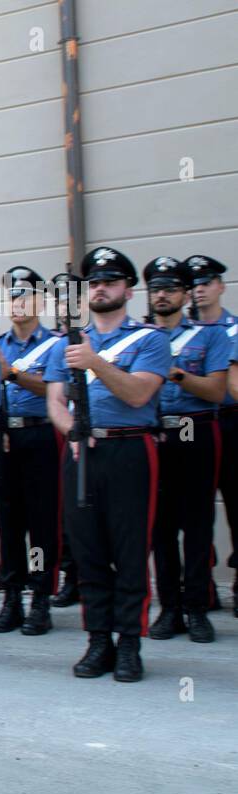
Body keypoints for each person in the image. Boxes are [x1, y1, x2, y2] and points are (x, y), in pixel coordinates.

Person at [44, 247, 170, 682]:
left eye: (111, 281)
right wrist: (72, 432)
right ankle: (98, 639)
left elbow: (138, 395)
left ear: (127, 290)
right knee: (88, 548)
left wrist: (95, 361)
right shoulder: (67, 343)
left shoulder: (150, 339)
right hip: (81, 452)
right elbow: (55, 402)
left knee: (130, 548)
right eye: (94, 282)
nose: (101, 287)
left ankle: (130, 643)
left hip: (130, 450)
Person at [143, 256, 227, 643]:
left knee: (196, 522)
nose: (162, 295)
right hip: (154, 432)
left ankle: (196, 607)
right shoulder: (140, 337)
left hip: (195, 428)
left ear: (184, 294)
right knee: (159, 525)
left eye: (170, 288)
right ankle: (170, 608)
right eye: (156, 288)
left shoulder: (209, 335)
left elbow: (214, 390)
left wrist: (172, 370)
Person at [0, 266, 64, 637]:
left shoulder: (55, 345)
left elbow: (54, 392)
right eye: (13, 297)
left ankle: (41, 598)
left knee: (42, 524)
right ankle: (12, 596)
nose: (18, 304)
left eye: (25, 297)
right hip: (5, 439)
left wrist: (12, 374)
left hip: (41, 438)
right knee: (9, 523)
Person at [184, 255, 236, 614]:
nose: (200, 290)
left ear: (221, 287)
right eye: (195, 285)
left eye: (207, 283)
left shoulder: (234, 329)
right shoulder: (179, 332)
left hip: (231, 421)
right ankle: (201, 587)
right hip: (194, 425)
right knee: (194, 508)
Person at [48, 269, 84, 608]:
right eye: (60, 299)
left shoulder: (94, 340)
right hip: (60, 428)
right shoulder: (54, 345)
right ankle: (69, 574)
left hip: (94, 432)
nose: (64, 306)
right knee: (63, 509)